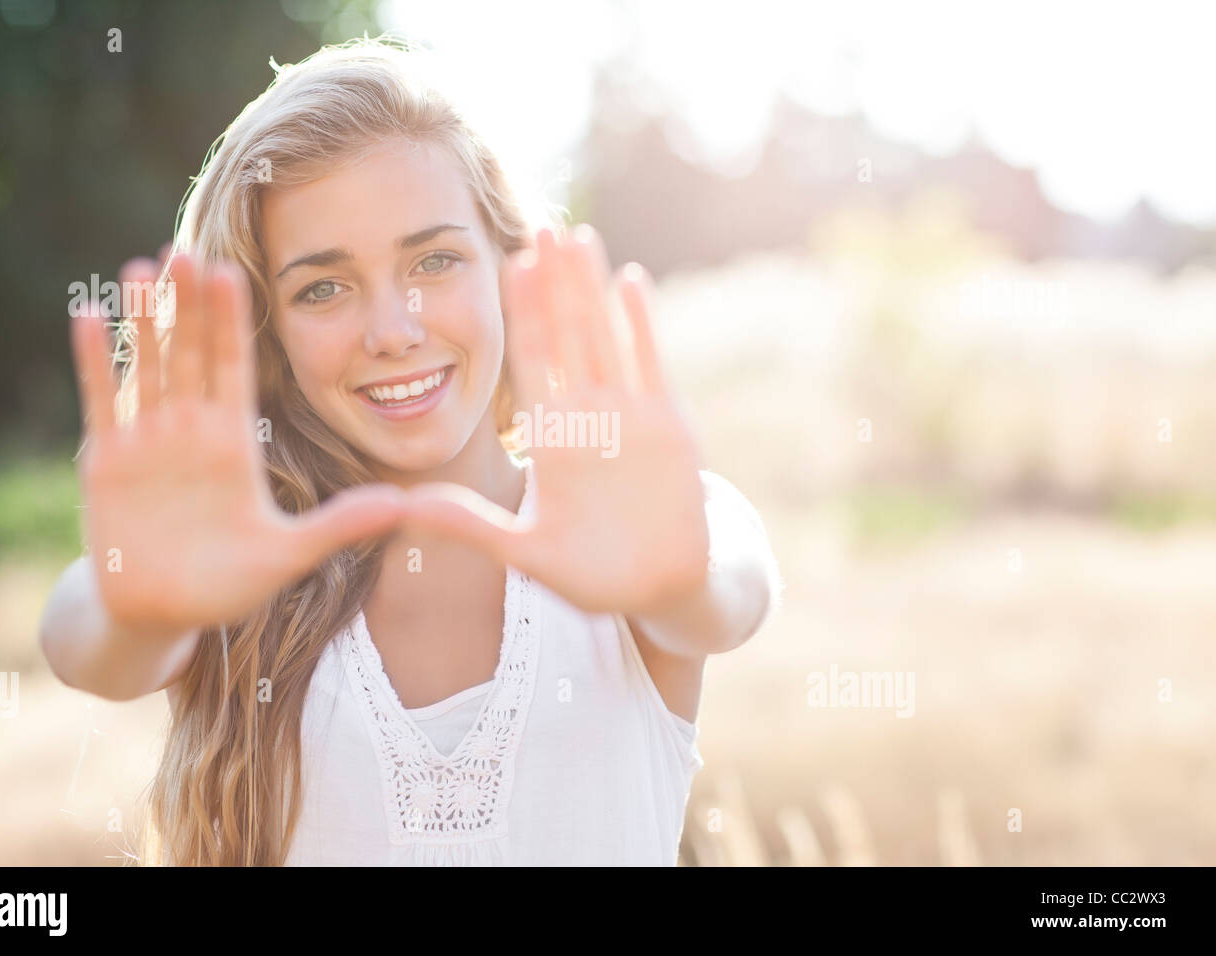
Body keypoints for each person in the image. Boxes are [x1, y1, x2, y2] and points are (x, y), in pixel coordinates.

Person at [38, 36, 781, 866]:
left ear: (509, 267)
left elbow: (732, 592)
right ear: (269, 332)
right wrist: (141, 611)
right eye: (323, 287)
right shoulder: (237, 567)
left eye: (435, 260)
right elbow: (84, 639)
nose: (394, 330)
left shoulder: (653, 524)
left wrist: (677, 582)